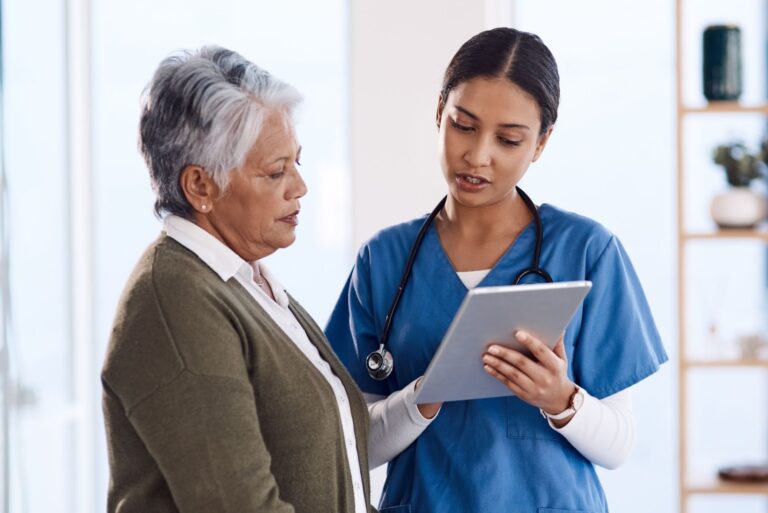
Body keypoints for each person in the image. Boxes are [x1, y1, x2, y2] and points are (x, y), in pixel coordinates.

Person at [326, 27, 667, 513]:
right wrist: (420, 398)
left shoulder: (588, 250)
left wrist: (560, 398)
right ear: (438, 111)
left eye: (508, 140)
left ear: (542, 143)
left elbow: (619, 445)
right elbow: (354, 445)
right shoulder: (383, 260)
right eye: (463, 125)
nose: (477, 155)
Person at [101, 46, 375, 513]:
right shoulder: (176, 301)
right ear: (200, 187)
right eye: (276, 172)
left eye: (297, 163)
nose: (300, 188)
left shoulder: (245, 283)